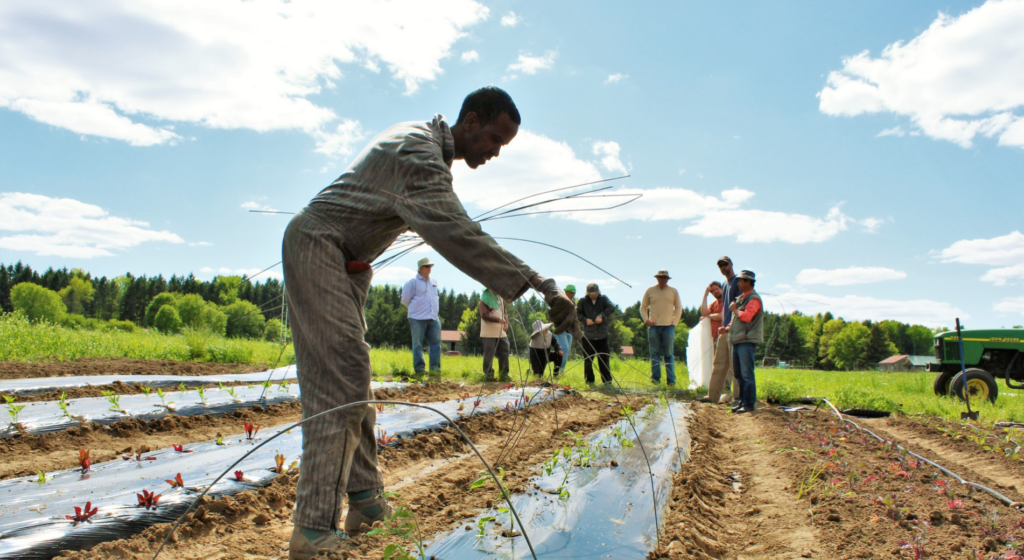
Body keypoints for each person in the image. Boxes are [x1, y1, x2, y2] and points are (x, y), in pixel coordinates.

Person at [282, 86, 578, 559]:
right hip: (320, 247)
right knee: (338, 386)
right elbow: (461, 234)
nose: (494, 153)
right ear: (472, 120)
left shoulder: (425, 151)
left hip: (344, 262)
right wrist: (542, 286)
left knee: (353, 378)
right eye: (494, 140)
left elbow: (455, 225)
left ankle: (363, 502)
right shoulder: (419, 156)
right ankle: (312, 531)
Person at [704, 257, 741, 404]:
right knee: (718, 364)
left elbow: (740, 306)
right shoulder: (725, 284)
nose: (723, 267)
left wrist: (731, 325)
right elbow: (726, 308)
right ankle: (712, 396)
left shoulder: (739, 282)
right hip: (724, 330)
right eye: (720, 265)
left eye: (725, 264)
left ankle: (738, 398)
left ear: (731, 264)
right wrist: (724, 325)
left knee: (735, 366)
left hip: (735, 330)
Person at [640, 270, 682, 386]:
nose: (662, 280)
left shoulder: (673, 291)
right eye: (660, 277)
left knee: (668, 354)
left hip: (669, 327)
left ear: (667, 279)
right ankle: (655, 379)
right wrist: (646, 320)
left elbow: (678, 307)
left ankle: (671, 381)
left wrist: (674, 323)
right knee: (654, 354)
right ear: (657, 278)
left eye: (664, 278)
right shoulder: (650, 290)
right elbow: (643, 307)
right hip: (654, 327)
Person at [729, 270, 763, 413]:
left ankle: (749, 404)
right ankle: (743, 401)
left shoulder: (753, 299)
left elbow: (747, 317)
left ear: (748, 282)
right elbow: (738, 320)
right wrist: (727, 329)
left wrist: (735, 310)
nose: (738, 283)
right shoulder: (742, 298)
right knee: (739, 374)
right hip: (738, 340)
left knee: (746, 374)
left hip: (746, 341)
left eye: (741, 280)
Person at [401, 257, 441, 376]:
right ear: (421, 268)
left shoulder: (434, 281)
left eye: (430, 266)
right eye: (427, 266)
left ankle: (435, 370)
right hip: (417, 318)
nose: (430, 269)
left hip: (433, 317)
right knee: (417, 344)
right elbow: (405, 299)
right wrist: (415, 311)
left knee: (436, 344)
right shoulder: (412, 282)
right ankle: (419, 369)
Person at [577, 283, 614, 385]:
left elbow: (611, 307)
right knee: (588, 361)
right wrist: (585, 320)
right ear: (587, 293)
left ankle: (607, 381)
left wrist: (601, 315)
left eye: (595, 293)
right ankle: (589, 381)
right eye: (591, 294)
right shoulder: (582, 301)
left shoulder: (603, 299)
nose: (593, 296)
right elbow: (577, 314)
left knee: (604, 359)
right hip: (588, 336)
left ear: (598, 292)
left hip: (602, 335)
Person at [480, 288, 511, 381]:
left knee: (505, 351)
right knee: (489, 353)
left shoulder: (500, 298)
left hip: (501, 331)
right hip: (488, 331)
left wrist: (506, 322)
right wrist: (499, 320)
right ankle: (488, 375)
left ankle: (504, 374)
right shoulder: (484, 300)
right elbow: (484, 315)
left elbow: (504, 312)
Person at [551, 284, 576, 374]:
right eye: (570, 292)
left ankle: (561, 370)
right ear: (565, 292)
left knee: (567, 350)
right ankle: (558, 369)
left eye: (573, 293)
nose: (572, 294)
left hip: (569, 331)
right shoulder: (561, 301)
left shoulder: (573, 303)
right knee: (563, 349)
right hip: (560, 329)